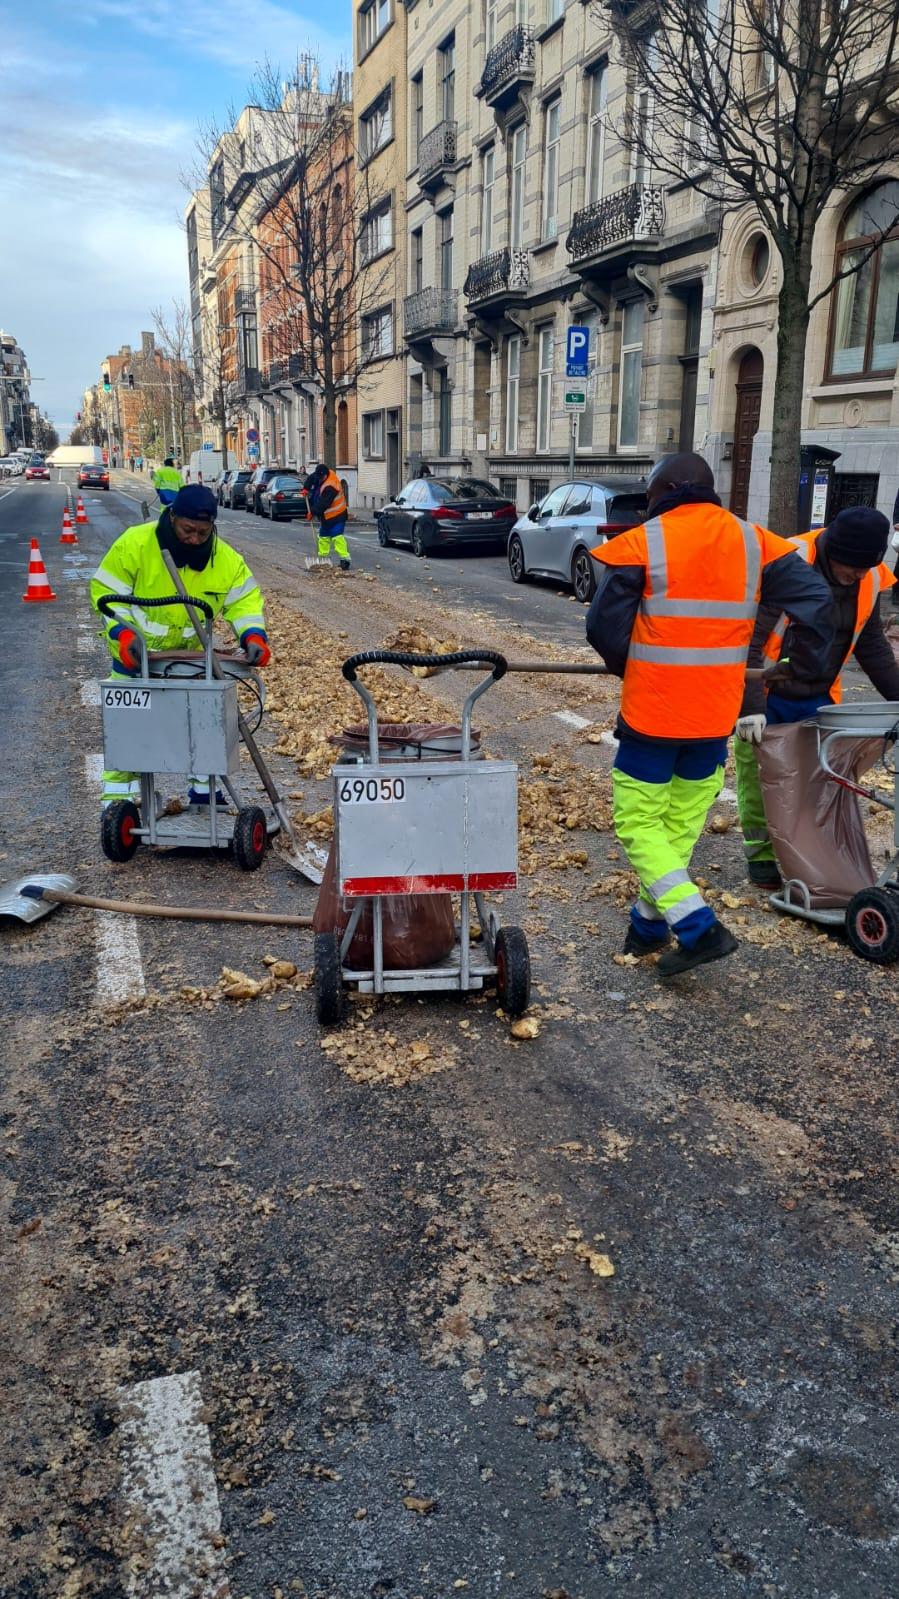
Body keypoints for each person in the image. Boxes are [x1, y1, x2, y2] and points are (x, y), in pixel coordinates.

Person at [586, 452, 833, 977]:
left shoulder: (645, 541)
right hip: (716, 715)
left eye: (650, 496)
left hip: (654, 715)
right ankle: (647, 925)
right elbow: (817, 603)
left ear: (668, 490)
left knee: (638, 824)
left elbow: (603, 628)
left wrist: (631, 668)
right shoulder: (756, 542)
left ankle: (699, 928)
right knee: (677, 826)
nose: (647, 506)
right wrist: (801, 668)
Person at [735, 505, 899, 885]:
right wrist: (751, 706)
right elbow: (749, 638)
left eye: (866, 568)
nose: (859, 576)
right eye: (853, 568)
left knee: (817, 780)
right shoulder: (788, 561)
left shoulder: (869, 576)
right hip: (767, 691)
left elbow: (871, 645)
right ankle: (760, 852)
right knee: (760, 776)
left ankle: (808, 857)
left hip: (820, 694)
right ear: (833, 551)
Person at [90, 484, 270, 809]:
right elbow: (107, 593)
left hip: (190, 663)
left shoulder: (225, 561)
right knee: (128, 729)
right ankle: (118, 802)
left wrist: (253, 635)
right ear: (172, 517)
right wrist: (124, 635)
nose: (194, 539)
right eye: (188, 530)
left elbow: (244, 602)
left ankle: (204, 792)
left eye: (203, 532)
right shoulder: (136, 544)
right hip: (136, 658)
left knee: (203, 724)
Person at [302, 462, 350, 569]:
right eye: (318, 476)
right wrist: (306, 487)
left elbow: (323, 504)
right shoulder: (322, 474)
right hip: (327, 516)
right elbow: (312, 478)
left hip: (338, 515)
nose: (319, 479)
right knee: (323, 537)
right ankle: (323, 559)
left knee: (337, 537)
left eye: (321, 477)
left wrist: (312, 512)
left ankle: (345, 560)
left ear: (325, 475)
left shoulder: (331, 486)